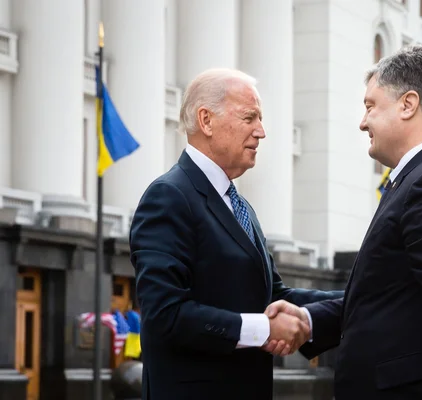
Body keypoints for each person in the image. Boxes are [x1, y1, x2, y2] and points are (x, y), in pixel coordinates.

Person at [267, 45, 422, 399]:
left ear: (408, 104)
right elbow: (395, 297)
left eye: (370, 106)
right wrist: (310, 321)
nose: (362, 121)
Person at [129, 68, 343, 400]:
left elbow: (273, 297)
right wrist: (263, 329)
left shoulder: (239, 205)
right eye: (249, 117)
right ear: (206, 120)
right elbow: (165, 315)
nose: (262, 131)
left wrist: (362, 300)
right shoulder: (168, 197)